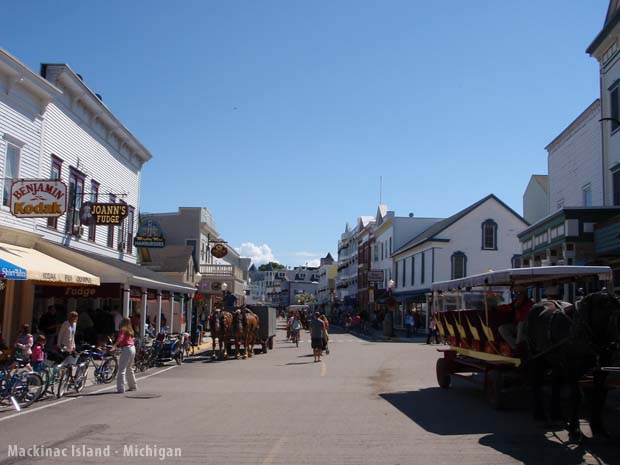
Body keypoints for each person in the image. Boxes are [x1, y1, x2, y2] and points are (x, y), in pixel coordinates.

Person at [113, 318, 137, 394]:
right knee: (130, 368)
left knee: (121, 369)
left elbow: (120, 338)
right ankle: (133, 386)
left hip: (126, 349)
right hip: (132, 348)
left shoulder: (123, 329)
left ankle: (121, 388)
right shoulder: (130, 330)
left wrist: (114, 346)